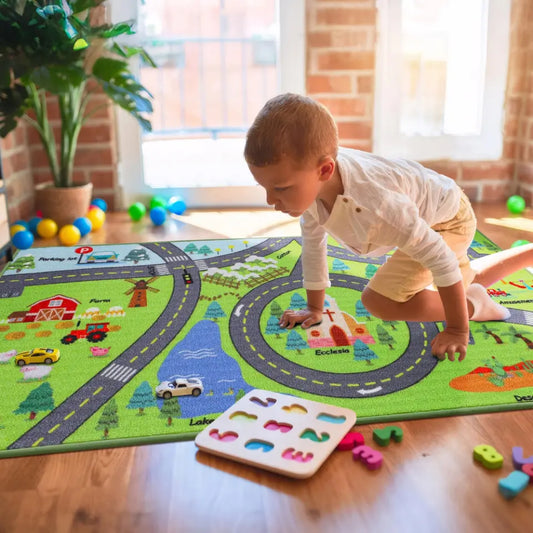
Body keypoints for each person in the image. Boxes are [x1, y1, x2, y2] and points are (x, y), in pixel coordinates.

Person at [244, 93, 533, 361]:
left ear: (325, 170)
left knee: (379, 301)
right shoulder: (311, 186)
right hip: (437, 202)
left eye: (280, 188)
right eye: (265, 187)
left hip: (448, 221)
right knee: (460, 281)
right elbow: (313, 246)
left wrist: (458, 328)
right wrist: (315, 308)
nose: (271, 200)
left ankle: (475, 307)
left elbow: (440, 258)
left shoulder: (378, 206)